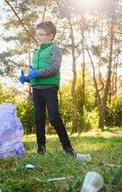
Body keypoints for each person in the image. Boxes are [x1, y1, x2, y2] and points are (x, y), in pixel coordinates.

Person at [19, 21, 76, 157]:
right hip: (37, 89)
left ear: (50, 36)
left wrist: (36, 74)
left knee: (54, 117)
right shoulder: (36, 52)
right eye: (36, 34)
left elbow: (54, 68)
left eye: (40, 34)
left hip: (50, 88)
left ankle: (68, 148)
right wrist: (26, 78)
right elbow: (35, 73)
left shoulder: (54, 49)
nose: (37, 37)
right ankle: (41, 148)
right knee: (39, 118)